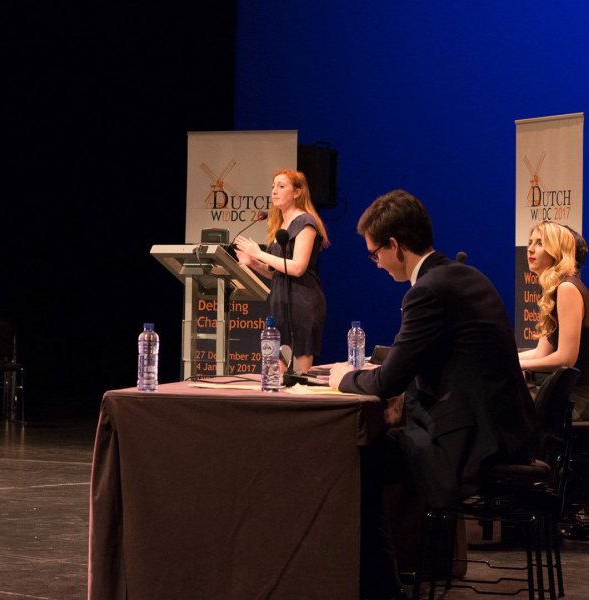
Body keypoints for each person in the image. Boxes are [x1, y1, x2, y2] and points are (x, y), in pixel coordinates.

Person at [329, 190, 536, 600]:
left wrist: (343, 378)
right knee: (383, 442)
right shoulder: (465, 275)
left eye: (375, 254)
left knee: (356, 457)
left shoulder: (426, 291)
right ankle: (398, 576)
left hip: (474, 444)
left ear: (395, 244)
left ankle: (380, 589)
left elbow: (388, 382)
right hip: (506, 430)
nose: (377, 264)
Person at [234, 169, 329, 374]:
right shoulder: (280, 225)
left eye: (281, 186)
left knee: (299, 375)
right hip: (280, 303)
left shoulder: (306, 223)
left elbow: (296, 267)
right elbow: (277, 273)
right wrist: (253, 262)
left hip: (302, 303)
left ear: (297, 192)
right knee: (276, 374)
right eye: (273, 186)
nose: (274, 191)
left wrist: (258, 253)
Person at [518, 221, 589, 420]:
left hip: (579, 399)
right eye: (530, 242)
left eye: (540, 243)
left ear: (556, 251)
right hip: (566, 394)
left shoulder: (567, 288)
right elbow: (542, 352)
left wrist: (519, 365)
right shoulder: (554, 289)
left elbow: (566, 359)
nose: (530, 248)